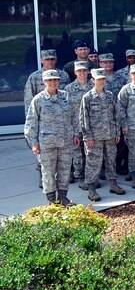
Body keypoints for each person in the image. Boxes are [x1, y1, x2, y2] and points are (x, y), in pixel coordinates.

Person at [24, 69, 80, 206]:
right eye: (49, 80)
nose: (53, 82)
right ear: (44, 82)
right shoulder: (38, 100)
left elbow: (74, 117)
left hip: (65, 142)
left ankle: (63, 197)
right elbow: (31, 122)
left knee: (65, 171)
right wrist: (34, 143)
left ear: (59, 81)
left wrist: (76, 134)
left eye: (55, 80)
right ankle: (51, 201)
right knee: (48, 173)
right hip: (47, 143)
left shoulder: (66, 97)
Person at [80, 69, 126, 201]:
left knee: (111, 160)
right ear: (92, 80)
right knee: (93, 163)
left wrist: (117, 132)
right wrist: (88, 137)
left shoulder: (110, 95)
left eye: (103, 79)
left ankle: (113, 184)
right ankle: (91, 189)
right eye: (98, 79)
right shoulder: (87, 97)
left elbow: (116, 115)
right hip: (95, 137)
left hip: (110, 135)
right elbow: (84, 119)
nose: (101, 81)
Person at [64, 61, 93, 186]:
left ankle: (90, 176)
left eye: (84, 70)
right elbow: (66, 110)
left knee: (91, 152)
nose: (82, 73)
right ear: (75, 73)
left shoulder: (94, 86)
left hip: (91, 125)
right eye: (79, 71)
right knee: (77, 153)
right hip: (75, 125)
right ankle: (80, 175)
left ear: (88, 72)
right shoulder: (68, 89)